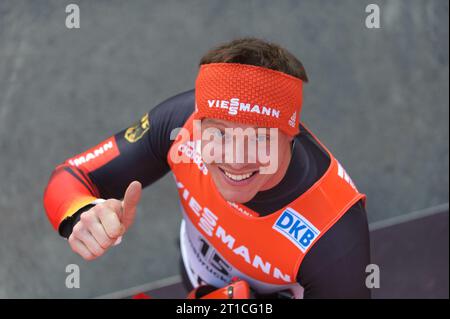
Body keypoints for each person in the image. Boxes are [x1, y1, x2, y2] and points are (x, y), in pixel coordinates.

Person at [43, 38, 371, 299]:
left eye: (259, 137)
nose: (235, 159)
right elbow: (70, 176)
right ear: (197, 125)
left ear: (292, 135)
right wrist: (81, 212)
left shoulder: (335, 236)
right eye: (219, 133)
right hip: (196, 272)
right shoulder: (177, 123)